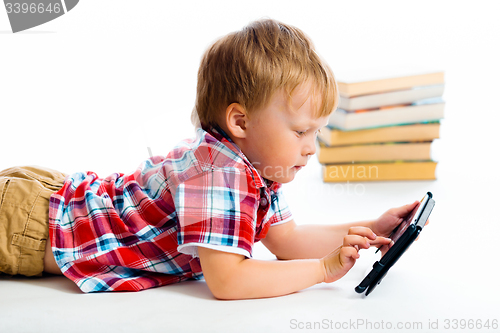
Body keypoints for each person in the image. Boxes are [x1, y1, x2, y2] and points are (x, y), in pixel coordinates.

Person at [0, 19, 419, 299]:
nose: (312, 147)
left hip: (49, 202)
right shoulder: (219, 172)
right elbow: (229, 279)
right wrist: (322, 271)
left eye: (317, 132)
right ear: (240, 121)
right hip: (30, 224)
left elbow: (288, 241)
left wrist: (371, 227)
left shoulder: (257, 170)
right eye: (300, 131)